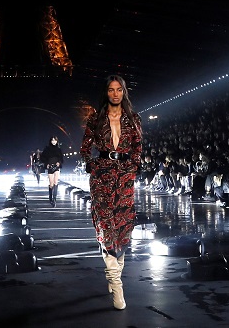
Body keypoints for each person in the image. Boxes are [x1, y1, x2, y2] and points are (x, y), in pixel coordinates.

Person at [80, 74, 143, 311]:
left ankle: (113, 272)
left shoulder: (133, 119)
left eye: (119, 90)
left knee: (124, 226)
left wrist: (134, 165)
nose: (115, 94)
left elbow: (138, 146)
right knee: (106, 227)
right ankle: (117, 285)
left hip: (125, 176)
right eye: (110, 90)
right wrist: (92, 165)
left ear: (124, 92)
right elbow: (84, 147)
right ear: (105, 92)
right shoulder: (95, 118)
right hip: (102, 176)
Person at [40, 136, 64, 207]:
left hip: (57, 167)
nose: (54, 142)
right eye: (52, 140)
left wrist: (59, 162)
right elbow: (43, 157)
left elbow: (61, 158)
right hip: (50, 166)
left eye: (55, 140)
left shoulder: (59, 149)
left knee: (56, 182)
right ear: (50, 141)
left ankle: (54, 199)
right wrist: (46, 164)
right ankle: (50, 198)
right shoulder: (47, 149)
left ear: (57, 141)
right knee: (51, 184)